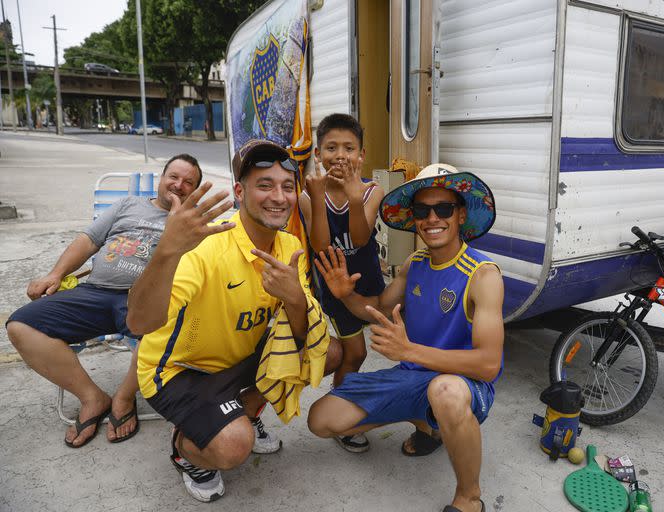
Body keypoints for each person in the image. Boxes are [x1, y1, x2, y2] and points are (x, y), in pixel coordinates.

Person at [126, 139, 337, 503]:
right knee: (235, 445)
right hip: (178, 370)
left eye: (288, 187)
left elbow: (304, 334)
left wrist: (296, 300)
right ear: (240, 191)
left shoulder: (288, 247)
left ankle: (246, 408)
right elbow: (139, 323)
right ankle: (184, 450)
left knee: (329, 350)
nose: (279, 196)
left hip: (236, 361)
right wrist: (167, 251)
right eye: (265, 185)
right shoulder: (206, 245)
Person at [308, 163, 504, 512]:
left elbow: (488, 365)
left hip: (462, 384)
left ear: (460, 215)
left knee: (443, 391)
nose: (432, 218)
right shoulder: (415, 263)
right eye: (421, 210)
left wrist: (410, 349)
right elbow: (379, 308)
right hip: (413, 376)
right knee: (322, 420)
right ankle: (428, 427)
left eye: (443, 209)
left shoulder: (483, 275)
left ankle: (469, 498)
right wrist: (345, 296)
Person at [5, 154, 202, 448]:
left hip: (144, 302)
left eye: (189, 182)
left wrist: (177, 227)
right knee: (20, 326)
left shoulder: (194, 223)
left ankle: (123, 397)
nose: (179, 185)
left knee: (167, 331)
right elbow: (89, 241)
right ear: (161, 178)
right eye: (173, 176)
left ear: (195, 192)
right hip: (94, 291)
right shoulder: (128, 205)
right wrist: (55, 274)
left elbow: (195, 271)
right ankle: (92, 398)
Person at [298, 113, 385, 453]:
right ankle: (341, 414)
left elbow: (361, 238)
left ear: (362, 155)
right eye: (331, 147)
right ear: (317, 154)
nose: (340, 154)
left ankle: (343, 404)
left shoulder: (372, 190)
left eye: (349, 148)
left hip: (369, 284)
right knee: (356, 353)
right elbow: (320, 245)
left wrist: (353, 196)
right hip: (334, 289)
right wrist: (318, 198)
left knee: (376, 341)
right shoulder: (309, 193)